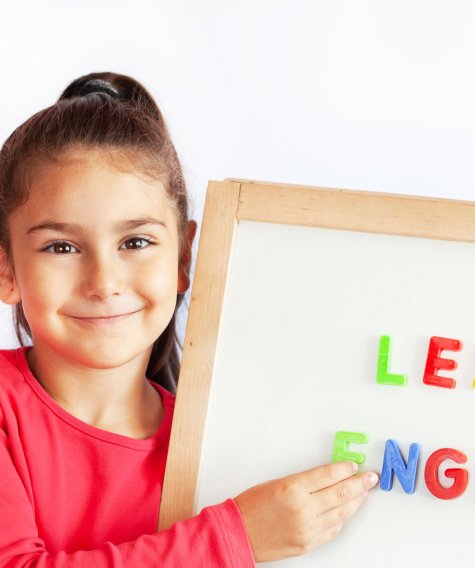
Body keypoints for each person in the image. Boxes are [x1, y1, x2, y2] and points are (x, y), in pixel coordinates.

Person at [0, 72, 379, 566]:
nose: (105, 280)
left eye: (135, 242)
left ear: (183, 259)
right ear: (6, 269)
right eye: (62, 246)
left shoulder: (218, 440)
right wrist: (234, 539)